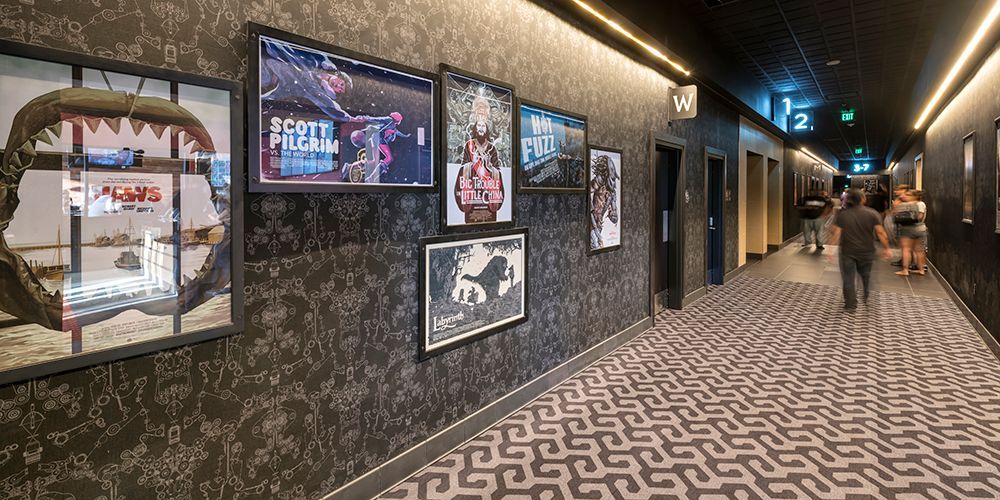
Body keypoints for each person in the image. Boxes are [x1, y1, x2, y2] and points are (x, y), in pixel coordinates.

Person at [829, 189, 892, 310]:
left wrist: (831, 249)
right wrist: (886, 248)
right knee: (866, 275)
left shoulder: (842, 215)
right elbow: (881, 233)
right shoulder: (872, 213)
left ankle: (850, 304)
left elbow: (836, 232)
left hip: (847, 251)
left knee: (848, 278)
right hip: (867, 250)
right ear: (863, 199)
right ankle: (867, 295)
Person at [892, 189, 927, 276]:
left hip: (907, 229)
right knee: (920, 251)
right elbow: (920, 217)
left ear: (913, 196)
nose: (904, 196)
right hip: (921, 228)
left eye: (907, 195)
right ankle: (921, 270)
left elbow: (895, 215)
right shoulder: (921, 204)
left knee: (906, 249)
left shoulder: (904, 205)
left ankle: (905, 270)